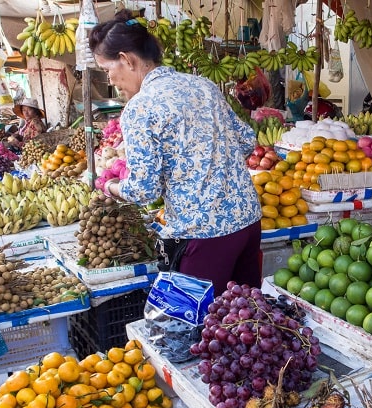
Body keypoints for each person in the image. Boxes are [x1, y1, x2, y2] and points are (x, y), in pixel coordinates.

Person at [89, 10, 262, 296]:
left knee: (198, 330)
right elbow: (246, 140)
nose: (111, 80)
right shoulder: (203, 85)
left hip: (204, 234)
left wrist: (110, 186)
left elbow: (145, 190)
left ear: (128, 59)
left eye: (108, 69)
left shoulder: (140, 107)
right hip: (247, 221)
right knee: (245, 319)